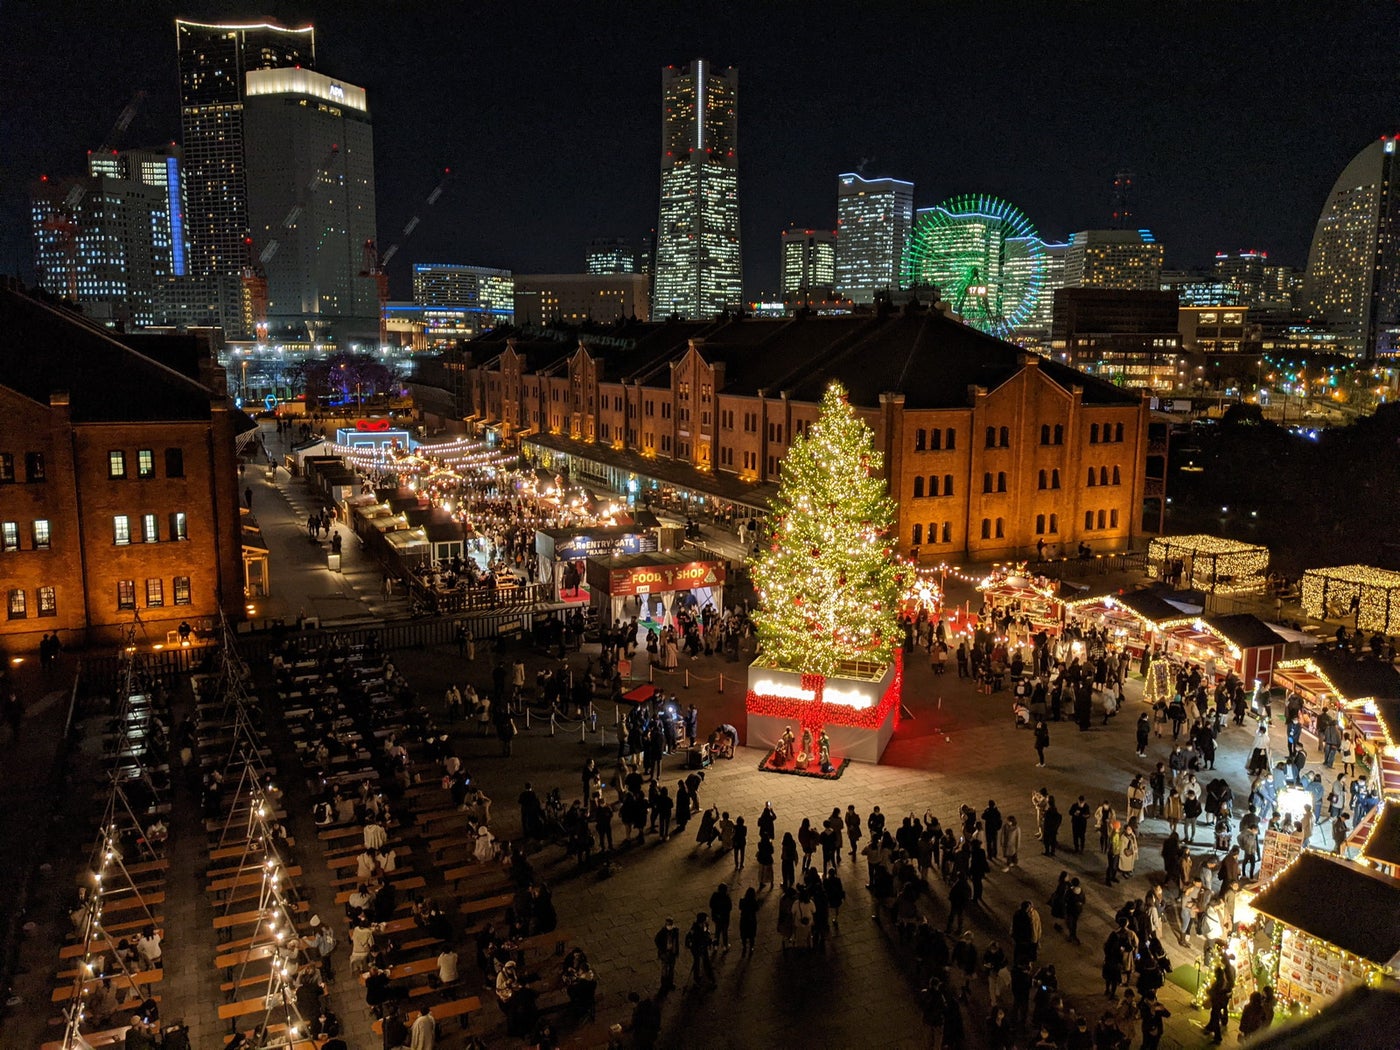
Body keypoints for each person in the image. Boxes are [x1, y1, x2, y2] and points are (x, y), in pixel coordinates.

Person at [685, 912, 714, 985]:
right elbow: (689, 938)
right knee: (697, 963)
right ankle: (697, 979)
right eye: (706, 919)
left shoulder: (705, 925)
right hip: (697, 949)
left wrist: (709, 941)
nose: (707, 920)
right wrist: (691, 946)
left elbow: (707, 935)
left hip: (703, 947)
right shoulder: (695, 929)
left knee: (706, 963)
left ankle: (710, 978)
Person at [654, 917, 680, 992]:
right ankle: (664, 985)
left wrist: (676, 951)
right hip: (665, 953)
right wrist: (662, 949)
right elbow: (657, 940)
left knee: (671, 969)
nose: (669, 926)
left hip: (672, 953)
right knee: (664, 970)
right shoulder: (662, 932)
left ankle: (670, 984)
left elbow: (676, 942)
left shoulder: (675, 931)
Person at [738, 887, 761, 956]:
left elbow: (740, 907)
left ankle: (744, 947)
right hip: (752, 920)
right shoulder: (754, 901)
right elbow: (757, 909)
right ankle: (751, 947)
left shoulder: (742, 900)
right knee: (752, 935)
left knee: (743, 935)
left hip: (744, 920)